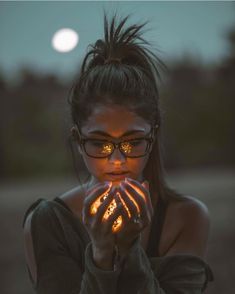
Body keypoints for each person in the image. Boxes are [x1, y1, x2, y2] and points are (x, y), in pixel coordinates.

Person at [22, 13, 214, 294]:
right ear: (77, 140)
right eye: (99, 144)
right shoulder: (49, 223)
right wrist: (101, 253)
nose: (117, 160)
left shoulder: (187, 218)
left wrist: (129, 249)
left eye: (132, 142)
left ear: (153, 134)